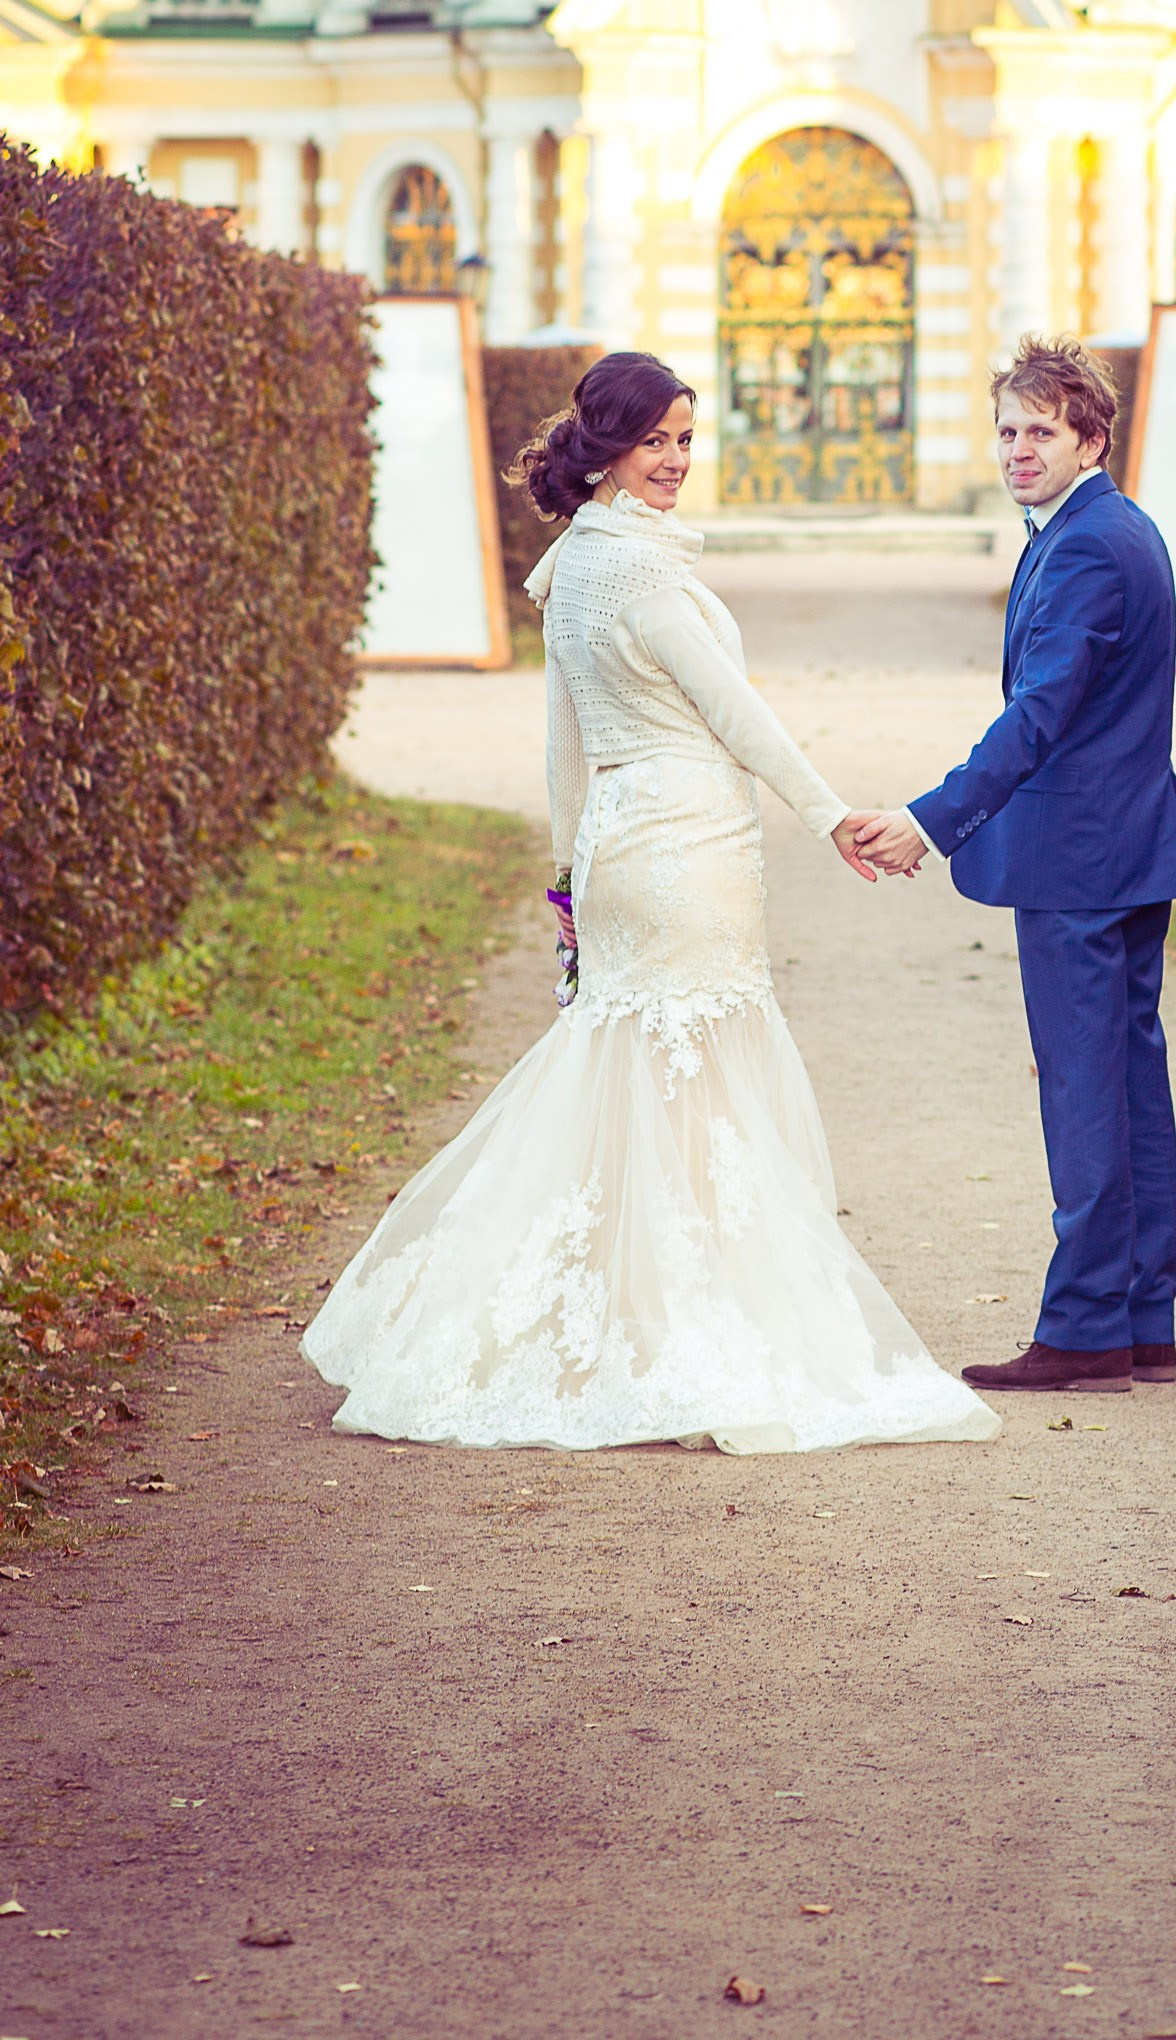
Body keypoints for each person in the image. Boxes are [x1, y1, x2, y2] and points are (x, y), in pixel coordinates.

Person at [303, 352, 999, 1458]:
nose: (675, 461)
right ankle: (683, 1330)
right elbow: (738, 716)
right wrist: (832, 818)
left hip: (623, 846)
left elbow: (564, 744)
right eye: (654, 442)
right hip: (686, 848)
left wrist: (567, 875)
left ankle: (619, 1315)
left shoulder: (574, 561)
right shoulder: (638, 574)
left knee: (632, 1073)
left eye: (684, 439)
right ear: (607, 449)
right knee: (694, 1084)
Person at [855, 336, 1176, 1396]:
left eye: (1039, 431)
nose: (1016, 450)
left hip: (1079, 863)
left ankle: (1089, 1326)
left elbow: (1039, 713)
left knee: (1088, 1089)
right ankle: (1140, 1319)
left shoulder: (1088, 547)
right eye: (1006, 431)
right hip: (1121, 848)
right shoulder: (1111, 526)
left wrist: (930, 820)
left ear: (1091, 438)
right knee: (1127, 1079)